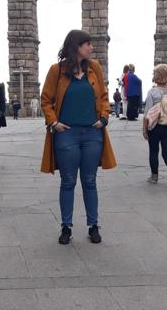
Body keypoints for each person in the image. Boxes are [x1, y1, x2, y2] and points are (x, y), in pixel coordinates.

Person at [40, 29, 116, 245]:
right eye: (88, 44)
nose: (92, 47)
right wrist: (54, 122)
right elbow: (46, 99)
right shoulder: (57, 71)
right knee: (68, 181)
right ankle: (66, 226)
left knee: (90, 181)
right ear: (76, 47)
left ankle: (93, 226)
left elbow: (103, 95)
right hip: (67, 134)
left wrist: (104, 117)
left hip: (93, 133)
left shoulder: (95, 68)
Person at [142, 64, 167, 187]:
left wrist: (144, 129)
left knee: (153, 151)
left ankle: (154, 176)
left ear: (156, 77)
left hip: (155, 126)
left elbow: (147, 113)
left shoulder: (152, 92)